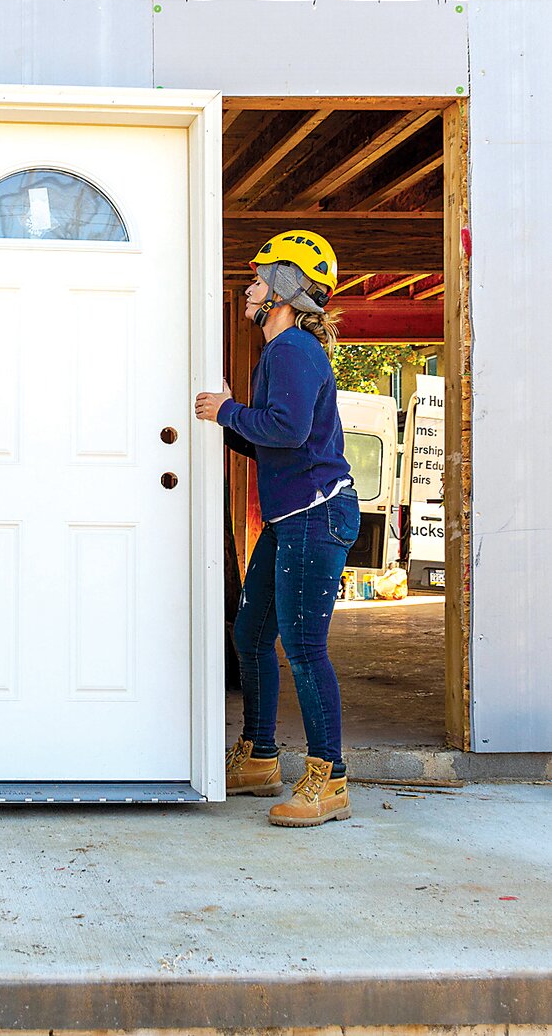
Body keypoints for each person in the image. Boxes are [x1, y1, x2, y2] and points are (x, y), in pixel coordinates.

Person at [195, 230, 359, 827]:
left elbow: (286, 431)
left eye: (261, 279)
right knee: (252, 634)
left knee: (304, 648)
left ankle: (329, 777)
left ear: (285, 291)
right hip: (293, 517)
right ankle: (261, 756)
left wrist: (228, 411)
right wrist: (230, 420)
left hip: (316, 516)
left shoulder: (291, 349)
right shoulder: (280, 351)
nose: (249, 287)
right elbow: (271, 441)